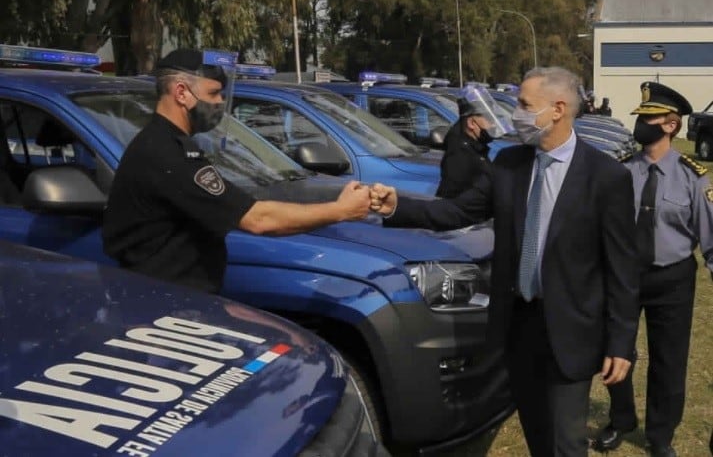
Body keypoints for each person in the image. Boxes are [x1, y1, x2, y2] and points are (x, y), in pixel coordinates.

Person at [370, 66, 640, 457]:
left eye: (525, 105)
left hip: (572, 329)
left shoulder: (606, 176)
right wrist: (398, 206)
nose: (516, 114)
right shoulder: (509, 164)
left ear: (558, 109)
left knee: (567, 442)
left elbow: (622, 268)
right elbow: (458, 212)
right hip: (518, 325)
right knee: (537, 435)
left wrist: (621, 342)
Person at [102, 48, 370, 294]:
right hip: (165, 305)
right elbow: (259, 219)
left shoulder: (164, 143)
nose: (220, 102)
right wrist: (341, 210)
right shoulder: (167, 154)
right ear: (181, 93)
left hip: (173, 300)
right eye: (213, 93)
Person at [592, 82, 713, 457]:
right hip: (625, 274)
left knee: (669, 360)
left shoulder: (694, 177)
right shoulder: (621, 172)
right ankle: (622, 419)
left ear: (671, 125)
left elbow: (710, 235)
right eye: (640, 118)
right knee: (617, 348)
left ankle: (661, 435)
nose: (640, 125)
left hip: (673, 277)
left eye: (649, 118)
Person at [436, 86, 497, 198]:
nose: (493, 125)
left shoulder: (475, 146)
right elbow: (454, 202)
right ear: (471, 123)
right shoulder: (459, 154)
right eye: (489, 119)